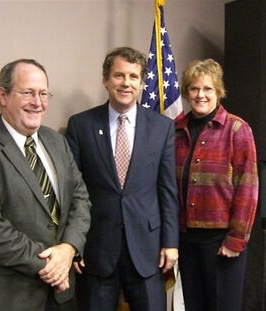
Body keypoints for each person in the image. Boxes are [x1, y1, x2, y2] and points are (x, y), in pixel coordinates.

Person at [0, 59, 91, 311]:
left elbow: (80, 199)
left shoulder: (57, 142)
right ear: (2, 96)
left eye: (43, 93)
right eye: (27, 92)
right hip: (5, 297)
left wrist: (69, 248)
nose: (37, 102)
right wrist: (52, 265)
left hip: (61, 296)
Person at [66, 46, 179, 311]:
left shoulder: (162, 127)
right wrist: (72, 242)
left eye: (133, 77)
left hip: (148, 248)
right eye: (119, 75)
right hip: (96, 246)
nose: (126, 83)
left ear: (142, 83)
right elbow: (71, 189)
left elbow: (167, 190)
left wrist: (170, 242)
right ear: (106, 79)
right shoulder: (80, 125)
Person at [175, 58, 259, 311]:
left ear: (218, 91)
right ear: (187, 92)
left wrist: (236, 238)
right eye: (194, 88)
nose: (200, 95)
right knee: (194, 305)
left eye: (207, 89)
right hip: (185, 241)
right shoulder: (175, 130)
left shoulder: (237, 129)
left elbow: (248, 187)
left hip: (222, 242)